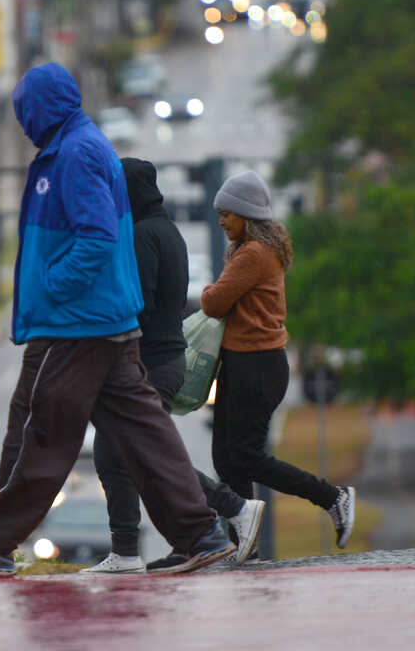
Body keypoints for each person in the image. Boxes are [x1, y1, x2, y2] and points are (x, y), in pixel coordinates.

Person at [0, 62, 233, 576]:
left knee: (45, 431)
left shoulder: (77, 154)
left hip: (82, 324)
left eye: (24, 110)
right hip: (99, 322)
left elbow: (97, 237)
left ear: (42, 107)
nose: (22, 121)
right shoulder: (72, 148)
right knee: (144, 436)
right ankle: (201, 534)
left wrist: (54, 284)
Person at [81, 158, 263, 574]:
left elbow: (137, 305)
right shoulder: (166, 230)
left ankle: (233, 507)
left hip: (148, 363)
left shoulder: (142, 235)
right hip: (162, 360)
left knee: (149, 455)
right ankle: (126, 550)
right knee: (114, 455)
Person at [200, 171, 356, 549]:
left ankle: (332, 497)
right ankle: (245, 541)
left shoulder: (253, 254)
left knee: (247, 457)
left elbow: (213, 303)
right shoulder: (253, 250)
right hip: (245, 363)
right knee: (227, 460)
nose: (221, 222)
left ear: (246, 215)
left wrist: (207, 290)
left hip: (256, 366)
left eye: (227, 214)